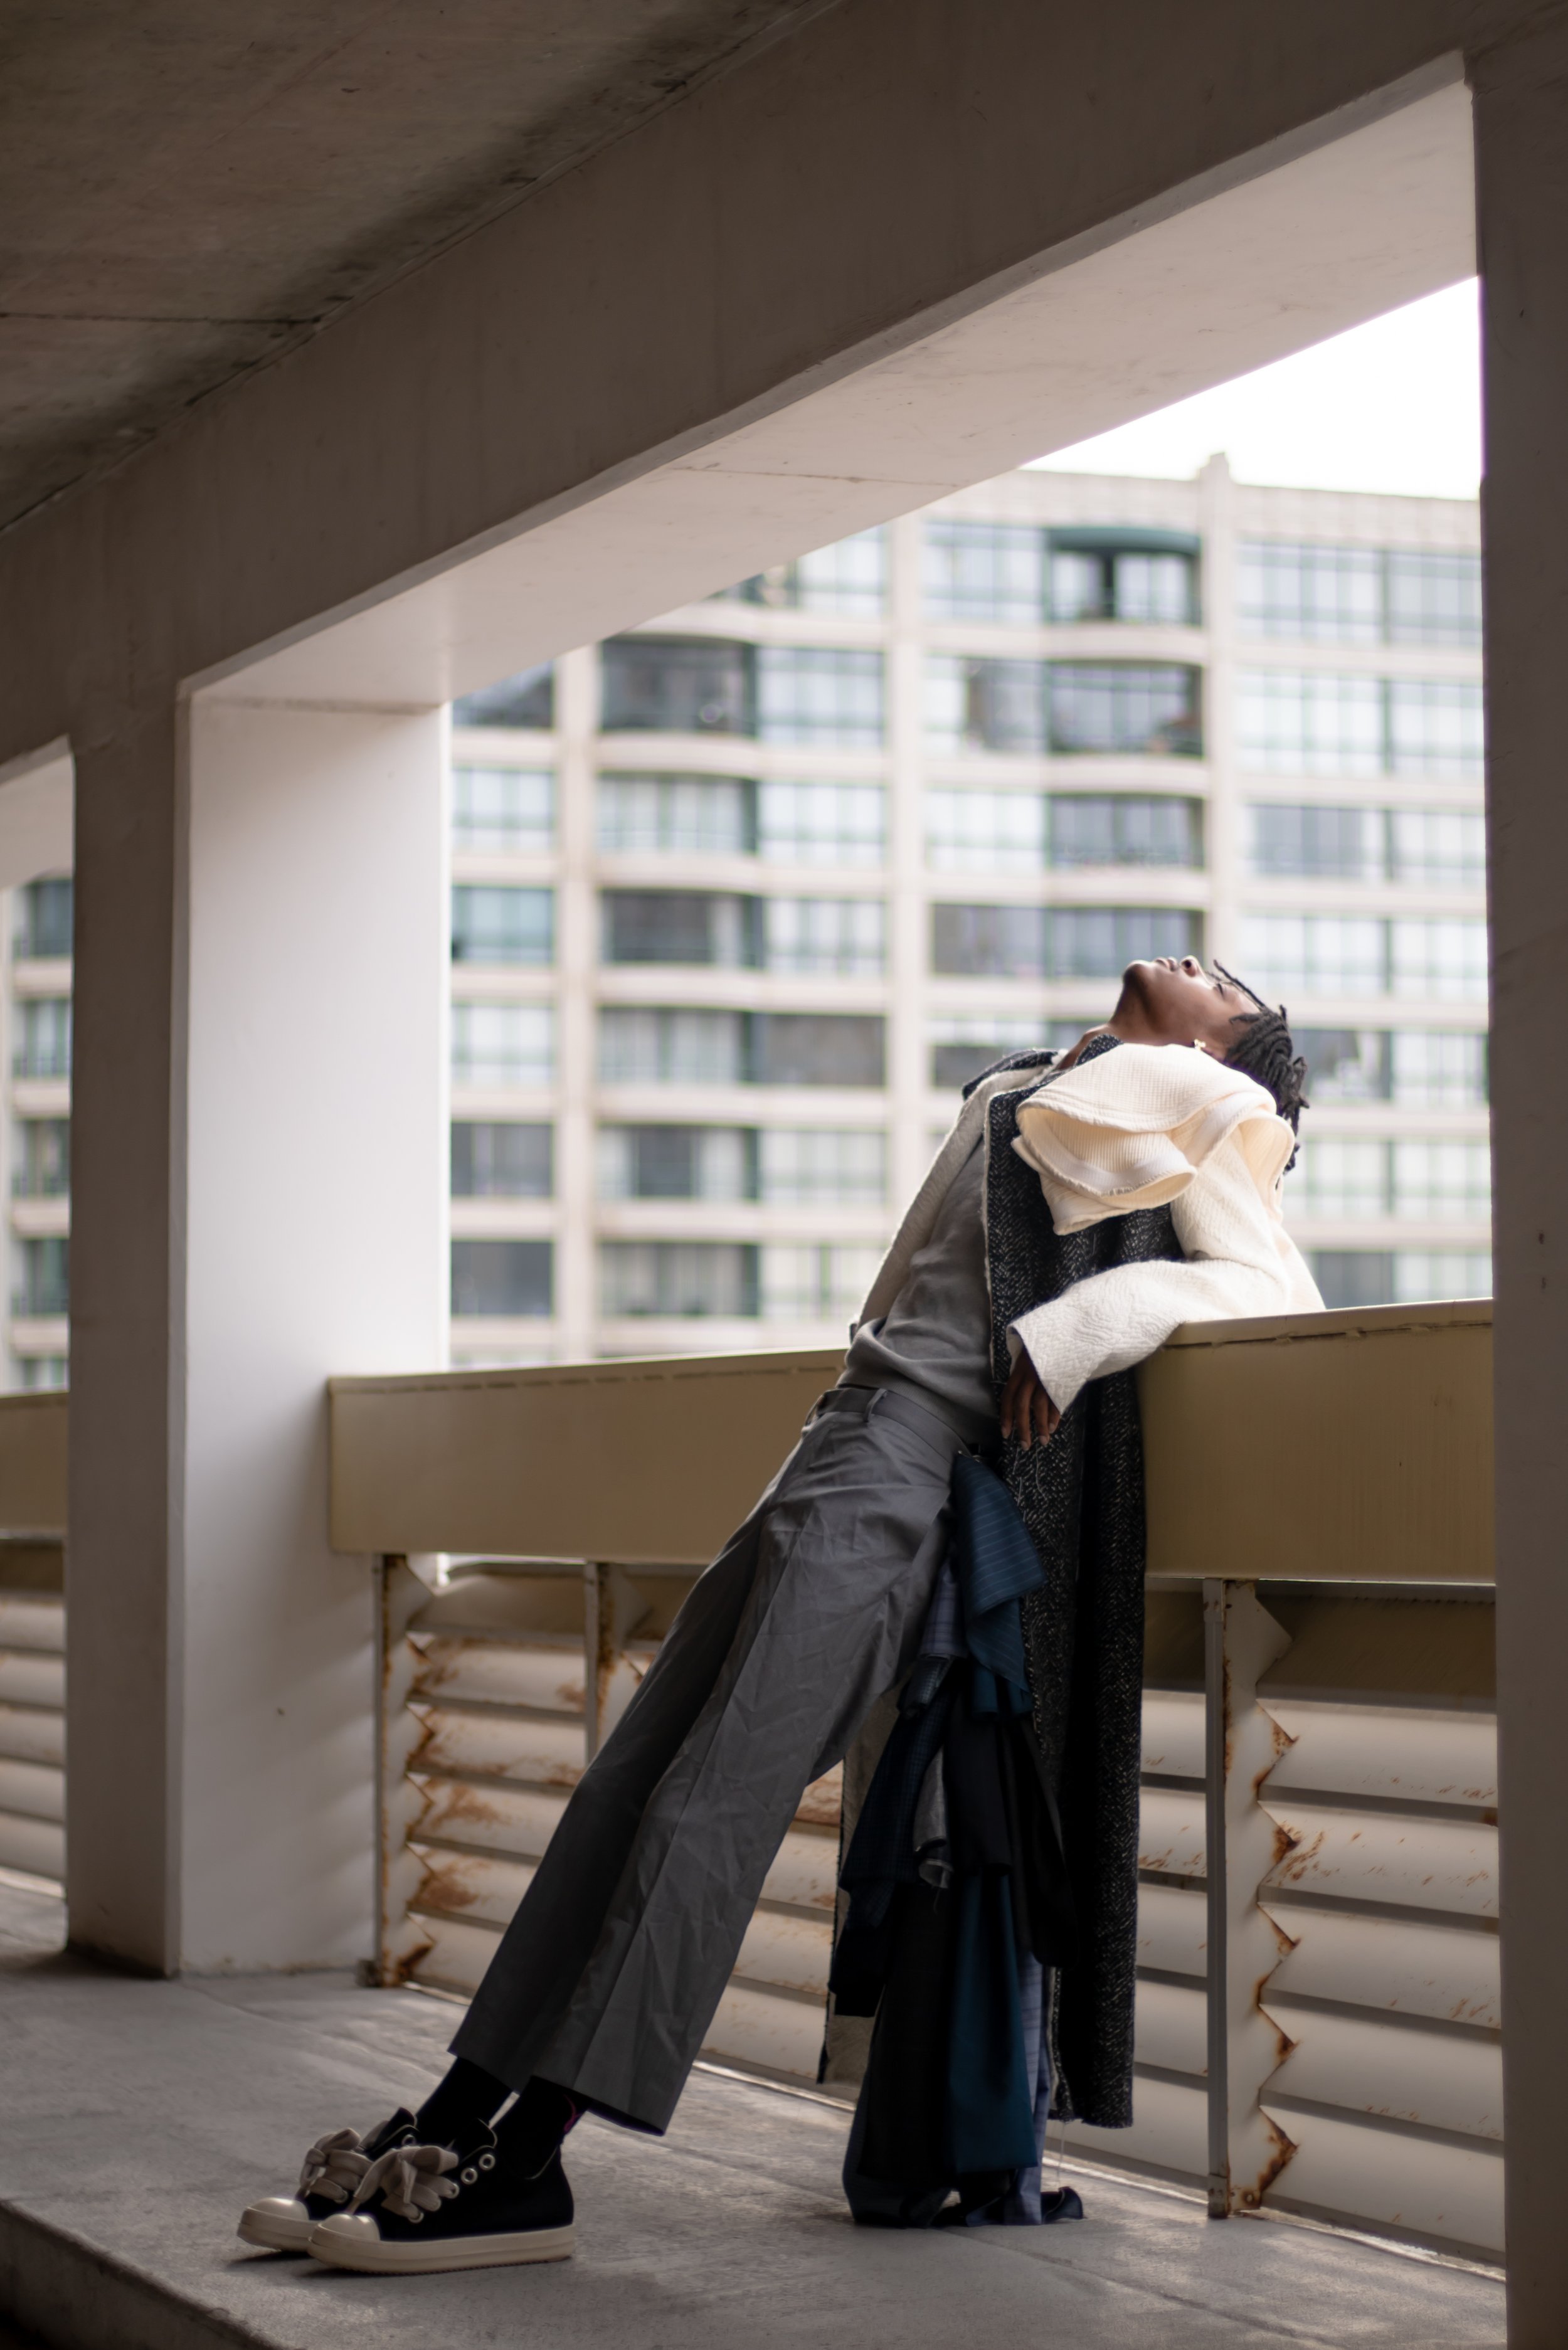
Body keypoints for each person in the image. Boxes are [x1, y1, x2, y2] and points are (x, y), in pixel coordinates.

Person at [238, 955, 1318, 2273]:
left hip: (909, 1475)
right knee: (627, 1785)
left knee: (713, 1802)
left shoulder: (1207, 1104)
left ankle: (528, 2160)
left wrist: (1082, 1324)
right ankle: (459, 2111)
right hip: (837, 1439)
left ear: (1225, 1047)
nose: (1202, 964)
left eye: (1231, 988)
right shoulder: (1043, 1080)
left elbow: (1269, 1287)